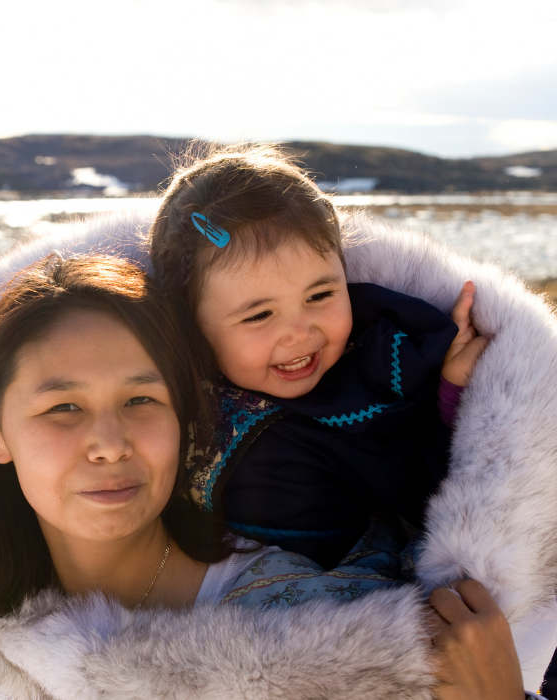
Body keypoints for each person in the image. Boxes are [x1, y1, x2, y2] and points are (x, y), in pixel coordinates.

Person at [0, 254, 537, 700]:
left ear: (188, 421)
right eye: (61, 408)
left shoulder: (304, 620)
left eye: (142, 399)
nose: (108, 443)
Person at [148, 144, 491, 568]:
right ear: (188, 323)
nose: (300, 333)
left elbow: (427, 488)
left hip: (354, 588)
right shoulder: (155, 389)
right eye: (258, 315)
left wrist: (450, 387)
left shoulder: (374, 375)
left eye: (321, 294)